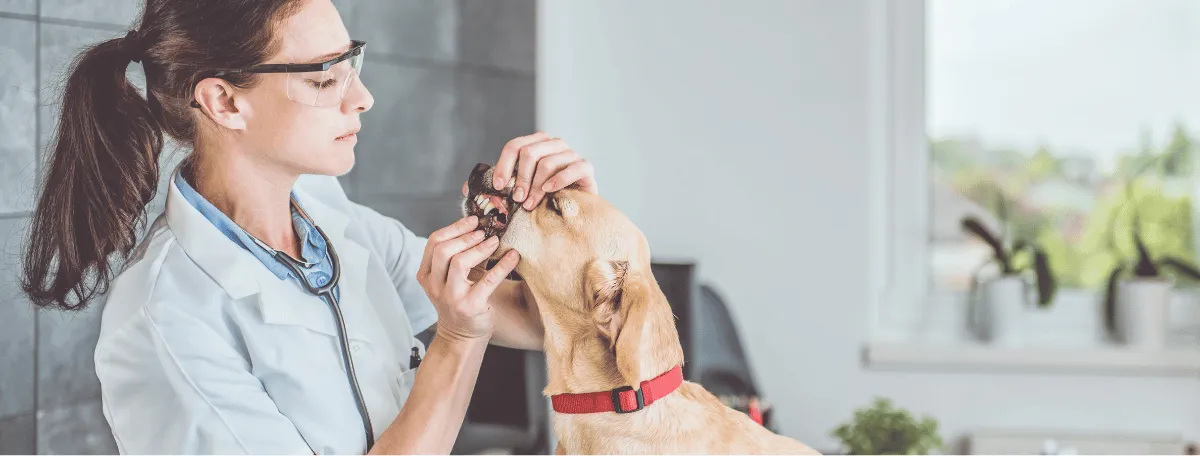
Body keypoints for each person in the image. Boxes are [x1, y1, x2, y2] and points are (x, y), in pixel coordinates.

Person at [19, 0, 597, 454]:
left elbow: (537, 318)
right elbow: (470, 325)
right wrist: (457, 342)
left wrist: (577, 232)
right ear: (223, 101)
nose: (363, 98)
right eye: (325, 80)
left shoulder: (329, 220)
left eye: (353, 65)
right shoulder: (165, 321)